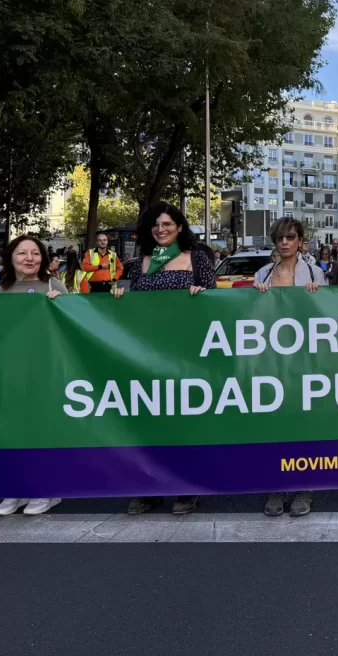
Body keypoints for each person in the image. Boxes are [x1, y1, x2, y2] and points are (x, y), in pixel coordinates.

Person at [112, 202, 216, 517]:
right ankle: (150, 488)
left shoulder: (197, 260)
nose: (162, 229)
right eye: (156, 225)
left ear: (180, 228)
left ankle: (186, 488)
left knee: (183, 424)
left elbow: (217, 306)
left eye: (168, 224)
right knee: (148, 424)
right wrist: (118, 296)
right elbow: (124, 308)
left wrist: (204, 294)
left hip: (187, 356)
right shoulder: (136, 264)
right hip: (146, 359)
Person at [252, 217, 326, 517]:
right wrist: (254, 299)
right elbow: (250, 317)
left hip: (305, 360)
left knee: (304, 423)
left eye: (291, 237)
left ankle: (305, 487)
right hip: (272, 361)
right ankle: (277, 485)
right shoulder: (262, 274)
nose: (285, 243)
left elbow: (328, 317)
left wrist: (315, 298)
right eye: (280, 238)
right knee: (275, 425)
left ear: (299, 241)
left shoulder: (315, 273)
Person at [0, 235, 68, 517]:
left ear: (43, 259)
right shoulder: (0, 289)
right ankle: (16, 487)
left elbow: (76, 325)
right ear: (11, 257)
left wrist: (61, 304)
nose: (29, 259)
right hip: (11, 372)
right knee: (13, 431)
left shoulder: (53, 285)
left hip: (45, 371)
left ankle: (46, 489)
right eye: (22, 253)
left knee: (42, 429)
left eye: (35, 253)